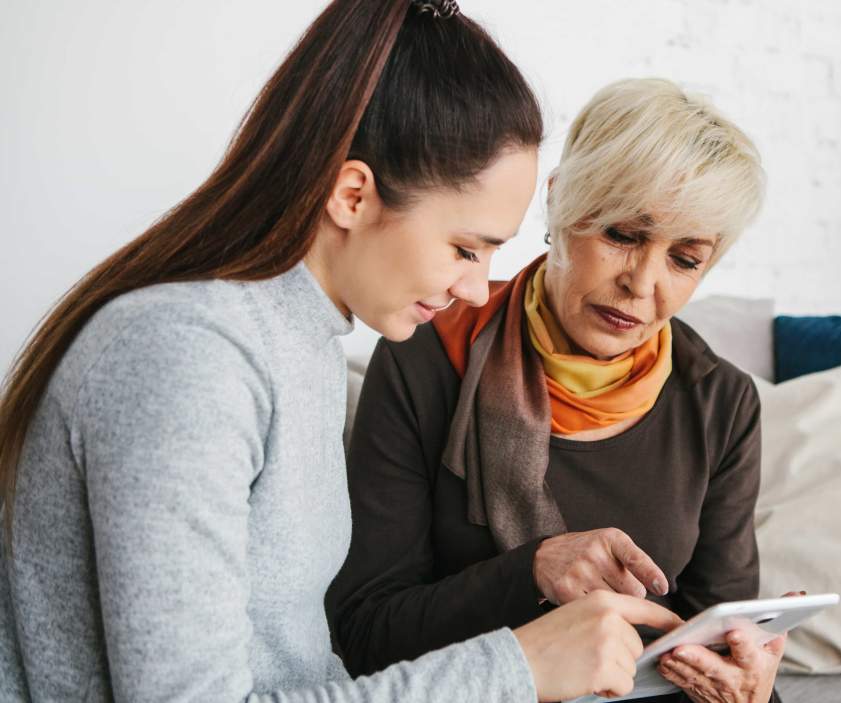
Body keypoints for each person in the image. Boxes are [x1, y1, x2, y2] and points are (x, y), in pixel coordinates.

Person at [0, 3, 680, 701]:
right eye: (465, 248)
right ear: (353, 194)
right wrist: (516, 668)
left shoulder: (300, 341)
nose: (478, 289)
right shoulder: (186, 355)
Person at [330, 78, 787, 703]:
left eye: (685, 258)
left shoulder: (721, 402)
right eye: (623, 235)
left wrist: (747, 689)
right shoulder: (426, 354)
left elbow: (712, 635)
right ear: (559, 205)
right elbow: (364, 632)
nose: (642, 284)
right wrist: (534, 569)